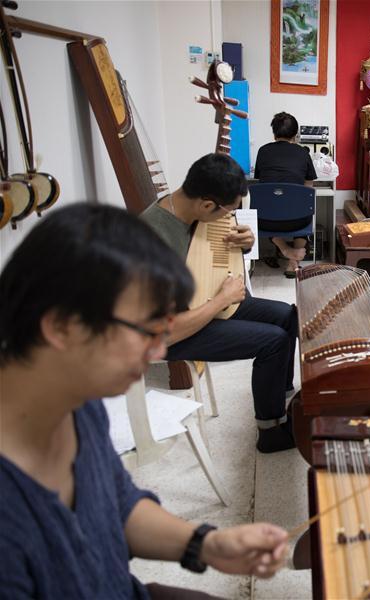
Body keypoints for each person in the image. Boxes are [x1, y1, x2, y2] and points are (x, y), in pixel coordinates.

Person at [0, 204, 289, 598]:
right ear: (62, 327)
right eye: (146, 330)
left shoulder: (75, 401)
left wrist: (206, 544)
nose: (158, 350)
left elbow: (116, 504)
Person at [141, 153, 297, 453]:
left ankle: (278, 390)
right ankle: (270, 432)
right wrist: (221, 301)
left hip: (205, 300)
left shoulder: (190, 209)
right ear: (207, 204)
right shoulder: (153, 240)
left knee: (288, 316)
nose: (230, 217)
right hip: (174, 332)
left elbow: (214, 258)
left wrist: (247, 242)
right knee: (273, 341)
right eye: (229, 210)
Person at [254, 111, 318, 277]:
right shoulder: (303, 153)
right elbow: (308, 189)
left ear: (274, 133)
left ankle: (285, 249)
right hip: (297, 221)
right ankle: (292, 262)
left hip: (266, 221)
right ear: (296, 134)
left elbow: (263, 183)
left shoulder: (263, 151)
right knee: (302, 209)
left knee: (271, 208)